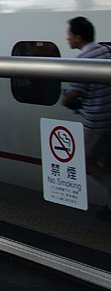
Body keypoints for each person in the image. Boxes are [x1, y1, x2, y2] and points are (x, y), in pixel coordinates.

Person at [61, 16, 111, 221]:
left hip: (96, 122)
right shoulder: (105, 51)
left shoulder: (83, 60)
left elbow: (75, 92)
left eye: (70, 35)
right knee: (108, 162)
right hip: (110, 118)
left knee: (83, 162)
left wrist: (65, 100)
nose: (67, 39)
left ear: (79, 37)